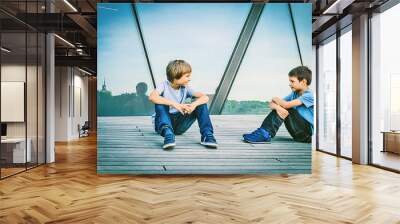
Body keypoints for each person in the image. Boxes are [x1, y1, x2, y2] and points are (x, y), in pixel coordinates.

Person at [149, 59, 218, 150]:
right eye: (187, 76)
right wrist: (175, 104)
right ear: (176, 75)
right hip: (162, 123)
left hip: (179, 125)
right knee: (160, 102)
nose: (189, 78)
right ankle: (168, 135)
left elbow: (205, 97)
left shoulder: (185, 88)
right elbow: (152, 97)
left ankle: (207, 135)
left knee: (201, 103)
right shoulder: (163, 85)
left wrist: (193, 105)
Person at [243, 66, 314, 144]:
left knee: (287, 108)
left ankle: (265, 133)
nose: (290, 84)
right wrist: (278, 106)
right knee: (282, 108)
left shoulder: (309, 96)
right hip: (298, 133)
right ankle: (264, 132)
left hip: (309, 136)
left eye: (292, 81)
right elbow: (279, 103)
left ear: (303, 82)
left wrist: (275, 99)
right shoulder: (294, 94)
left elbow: (285, 104)